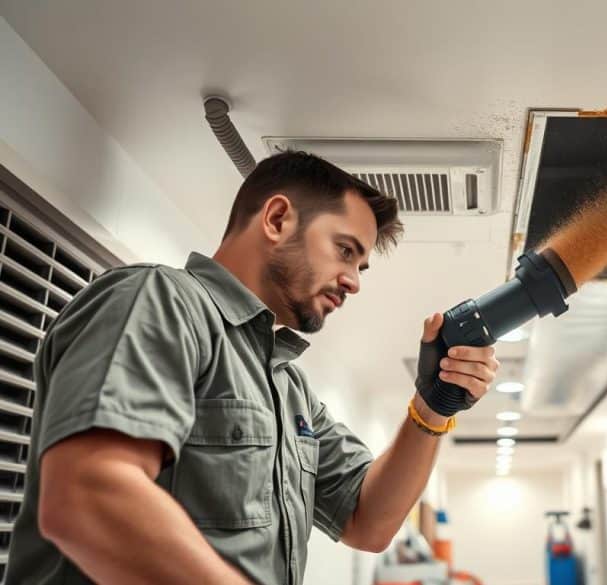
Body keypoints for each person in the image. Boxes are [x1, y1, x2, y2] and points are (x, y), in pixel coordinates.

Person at [6, 151, 499, 584]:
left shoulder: (287, 385)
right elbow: (87, 494)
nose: (353, 281)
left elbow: (368, 522)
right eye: (345, 251)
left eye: (359, 266)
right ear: (277, 219)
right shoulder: (160, 301)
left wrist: (432, 406)